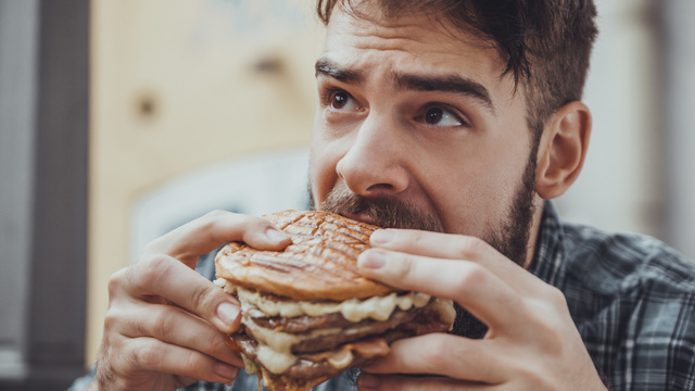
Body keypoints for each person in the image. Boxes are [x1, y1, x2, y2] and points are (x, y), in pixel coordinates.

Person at [71, 1, 695, 390]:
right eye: (341, 99)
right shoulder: (229, 306)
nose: (359, 165)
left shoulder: (671, 330)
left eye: (438, 113)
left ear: (557, 153)